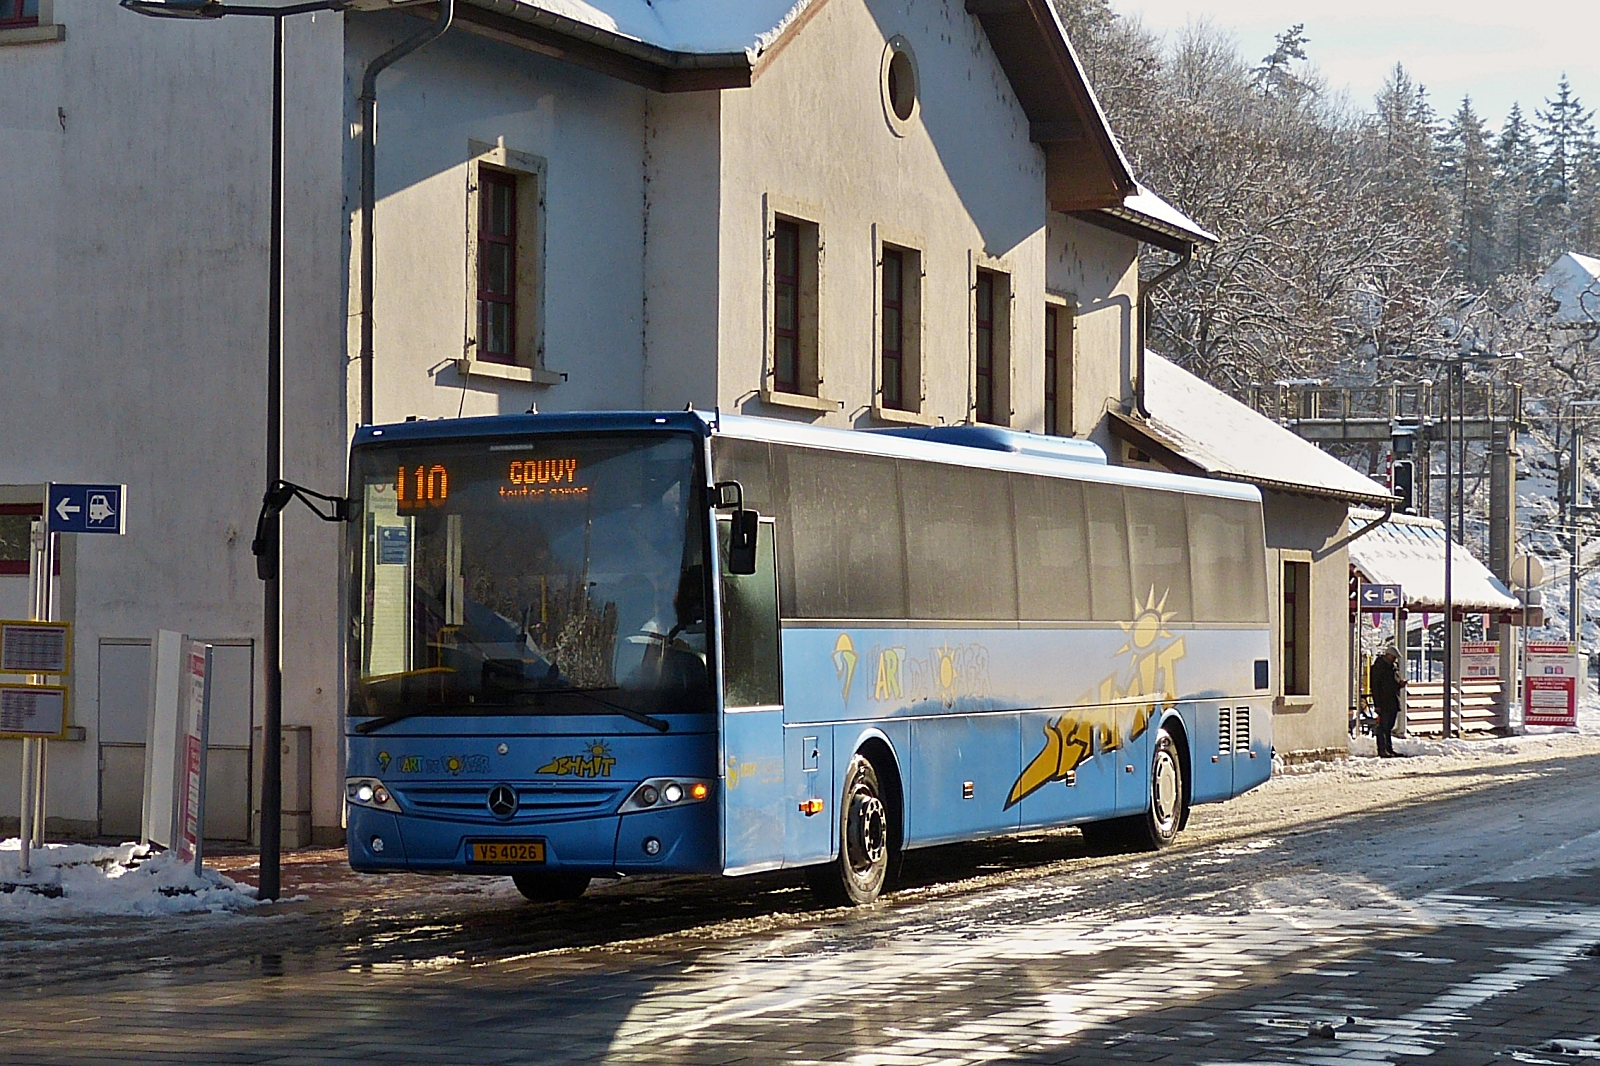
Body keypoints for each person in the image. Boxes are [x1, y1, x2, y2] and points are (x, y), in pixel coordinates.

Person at [1369, 645, 1406, 758]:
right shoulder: (1379, 667)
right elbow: (1375, 686)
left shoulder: (1393, 667)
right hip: (1384, 702)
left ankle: (1388, 749)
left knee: (1389, 727)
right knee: (1383, 727)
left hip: (1393, 700)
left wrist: (1399, 684)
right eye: (1393, 657)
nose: (1394, 659)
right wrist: (1377, 704)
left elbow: (1391, 684)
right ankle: (1382, 750)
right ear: (1388, 655)